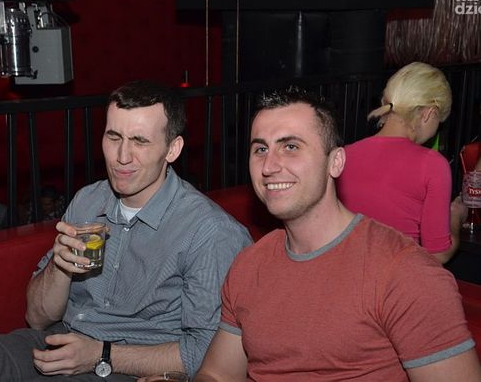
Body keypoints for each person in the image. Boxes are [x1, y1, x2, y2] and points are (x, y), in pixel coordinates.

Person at [0, 80, 252, 381]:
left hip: (130, 366)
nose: (122, 157)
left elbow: (206, 354)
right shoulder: (88, 200)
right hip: (59, 340)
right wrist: (59, 267)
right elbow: (36, 318)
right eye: (114, 137)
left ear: (172, 149)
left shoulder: (210, 232)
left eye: (140, 141)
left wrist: (101, 354)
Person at [193, 86, 481, 381]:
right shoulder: (248, 265)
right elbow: (217, 374)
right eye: (260, 149)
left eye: (290, 147)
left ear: (336, 162)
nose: (269, 166)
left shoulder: (404, 272)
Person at [336, 62, 467, 264]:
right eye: (439, 122)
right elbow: (437, 255)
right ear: (429, 114)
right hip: (397, 278)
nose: (436, 130)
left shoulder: (344, 154)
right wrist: (455, 217)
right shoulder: (432, 164)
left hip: (345, 271)